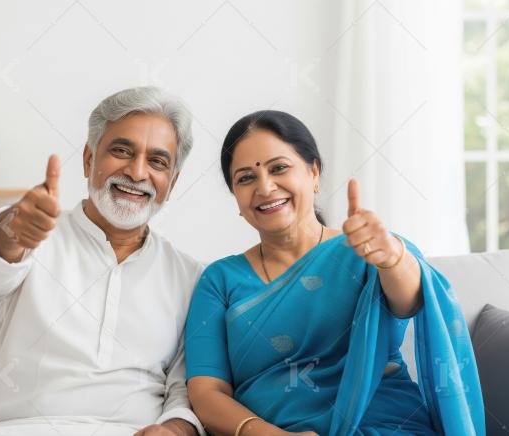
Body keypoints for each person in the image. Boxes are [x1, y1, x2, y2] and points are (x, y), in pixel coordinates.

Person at [184, 110, 484, 436]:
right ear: (236, 198)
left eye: (279, 168)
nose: (265, 187)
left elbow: (409, 302)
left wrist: (391, 258)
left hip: (383, 425)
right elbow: (206, 391)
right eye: (246, 178)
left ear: (313, 173)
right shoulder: (219, 280)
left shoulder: (366, 247)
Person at [0, 87, 204, 436]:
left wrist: (175, 430)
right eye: (122, 151)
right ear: (89, 159)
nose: (137, 173)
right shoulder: (35, 235)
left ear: (173, 181)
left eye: (157, 161)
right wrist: (14, 228)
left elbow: (185, 389)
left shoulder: (190, 276)